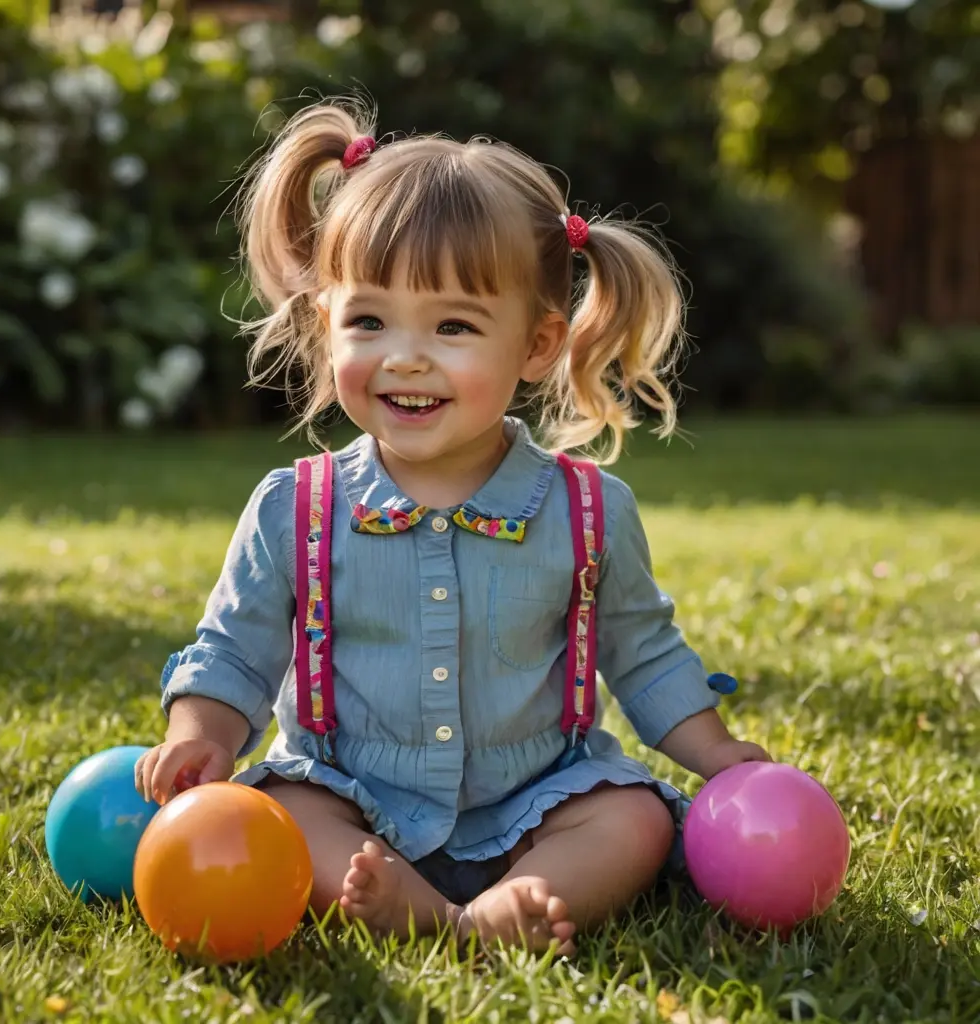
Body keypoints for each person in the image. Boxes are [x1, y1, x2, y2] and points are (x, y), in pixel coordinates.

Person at [134, 98, 770, 956]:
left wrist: (717, 752)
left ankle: (507, 900)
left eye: (454, 326)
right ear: (327, 322)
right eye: (370, 320)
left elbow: (644, 653)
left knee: (633, 818)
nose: (405, 356)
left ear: (539, 346)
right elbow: (235, 651)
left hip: (534, 801)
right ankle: (444, 907)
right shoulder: (297, 507)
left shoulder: (586, 511)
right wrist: (197, 736)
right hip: (351, 796)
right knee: (275, 810)